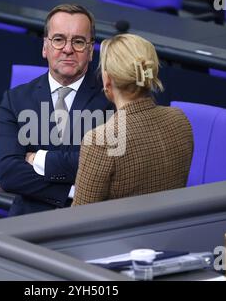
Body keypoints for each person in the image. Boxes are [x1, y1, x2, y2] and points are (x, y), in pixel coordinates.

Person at [0, 4, 113, 216]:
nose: (68, 49)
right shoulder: (16, 99)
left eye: (78, 41)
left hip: (88, 218)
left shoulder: (110, 99)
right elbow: (8, 173)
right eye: (59, 39)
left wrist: (37, 160)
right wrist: (69, 190)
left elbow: (104, 168)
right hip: (28, 217)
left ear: (90, 50)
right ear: (45, 47)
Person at [72, 34, 194, 206]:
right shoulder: (180, 119)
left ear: (107, 80)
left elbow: (78, 219)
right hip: (170, 231)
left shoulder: (100, 141)